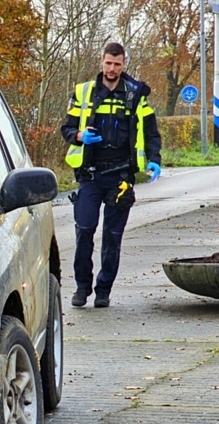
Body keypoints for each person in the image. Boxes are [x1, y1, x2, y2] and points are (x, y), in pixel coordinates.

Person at [60, 42, 162, 308]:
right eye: (108, 63)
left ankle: (103, 290)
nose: (112, 68)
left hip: (121, 176)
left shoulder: (136, 95)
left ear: (124, 64)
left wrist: (154, 160)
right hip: (90, 175)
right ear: (101, 61)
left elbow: (151, 133)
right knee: (84, 231)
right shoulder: (84, 92)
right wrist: (81, 136)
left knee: (112, 237)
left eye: (117, 64)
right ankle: (82, 288)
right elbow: (67, 128)